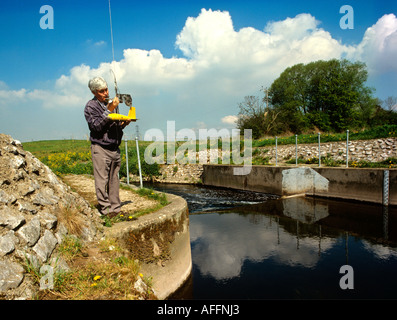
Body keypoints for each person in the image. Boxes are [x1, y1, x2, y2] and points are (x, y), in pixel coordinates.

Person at [84, 76, 131, 218]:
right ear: (94, 92)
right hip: (101, 148)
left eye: (106, 89)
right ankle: (105, 210)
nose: (106, 93)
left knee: (114, 180)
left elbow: (114, 126)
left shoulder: (112, 104)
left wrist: (124, 124)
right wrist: (109, 110)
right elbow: (96, 127)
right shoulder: (90, 107)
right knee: (101, 181)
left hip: (114, 147)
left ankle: (116, 209)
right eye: (102, 91)